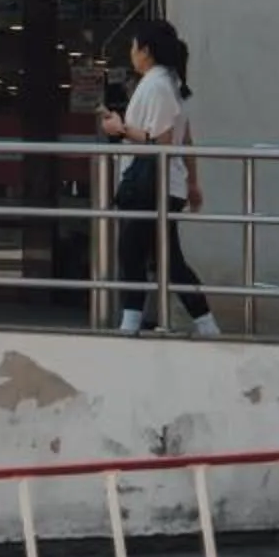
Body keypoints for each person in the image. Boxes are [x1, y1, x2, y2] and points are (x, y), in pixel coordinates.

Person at [101, 20, 217, 337]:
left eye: (133, 46)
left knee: (134, 253)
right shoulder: (172, 83)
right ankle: (205, 325)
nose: (131, 53)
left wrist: (119, 128)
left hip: (149, 184)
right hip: (166, 183)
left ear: (146, 50)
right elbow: (185, 139)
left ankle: (131, 324)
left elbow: (160, 141)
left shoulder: (156, 85)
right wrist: (191, 182)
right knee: (166, 258)